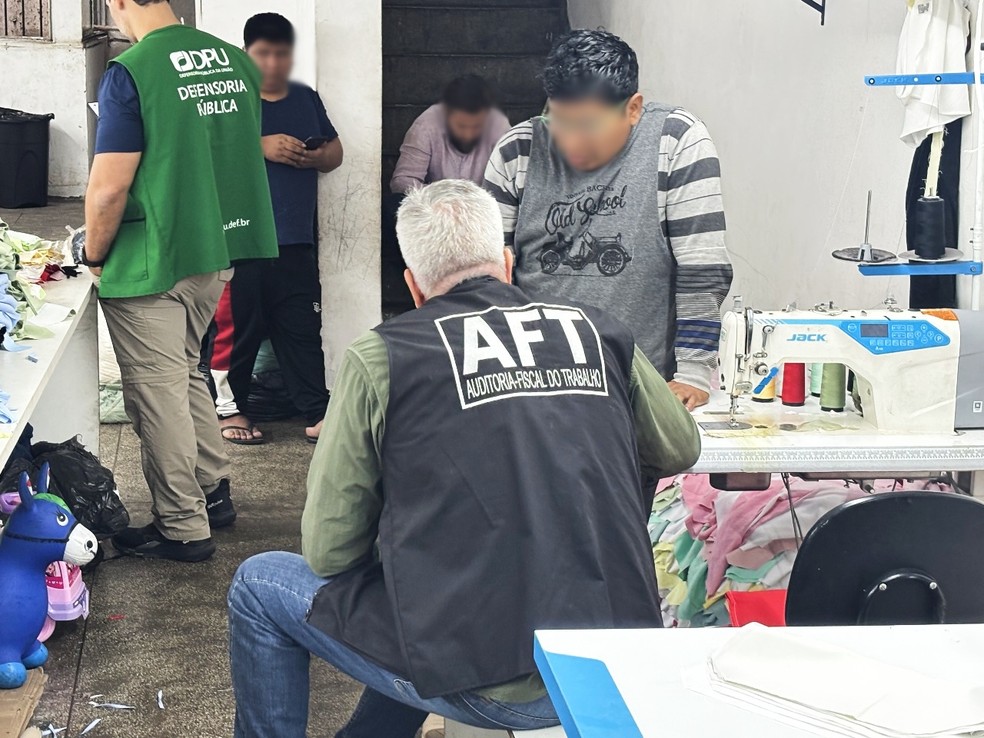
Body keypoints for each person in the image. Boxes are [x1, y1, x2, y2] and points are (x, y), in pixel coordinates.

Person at [228, 180, 701, 738]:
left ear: (414, 286)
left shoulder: (383, 356)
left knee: (259, 584)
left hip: (491, 680)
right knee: (411, 589)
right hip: (611, 662)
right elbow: (680, 448)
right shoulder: (596, 329)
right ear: (507, 262)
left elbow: (330, 551)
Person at [83, 0, 278, 562]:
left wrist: (92, 253)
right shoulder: (235, 61)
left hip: (155, 259)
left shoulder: (132, 71)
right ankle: (213, 491)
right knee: (187, 369)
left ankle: (181, 526)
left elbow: (109, 188)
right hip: (214, 249)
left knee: (156, 393)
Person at [484, 29, 734, 411]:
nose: (570, 142)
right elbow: (489, 275)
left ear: (633, 108)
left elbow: (702, 267)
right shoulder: (518, 150)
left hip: (639, 388)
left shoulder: (675, 141)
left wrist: (693, 373)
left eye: (587, 127)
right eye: (558, 122)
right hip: (535, 386)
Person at [209, 12, 342, 446]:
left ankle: (317, 412)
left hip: (295, 239)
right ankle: (228, 410)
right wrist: (259, 145)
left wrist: (317, 157)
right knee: (236, 331)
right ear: (245, 53)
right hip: (240, 239)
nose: (272, 62)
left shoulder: (305, 98)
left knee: (302, 328)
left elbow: (335, 151)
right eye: (263, 53)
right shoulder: (228, 99)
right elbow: (205, 154)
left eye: (281, 54)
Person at [390, 75, 511, 193]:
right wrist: (447, 196)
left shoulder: (499, 127)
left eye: (476, 126)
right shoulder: (426, 126)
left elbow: (510, 185)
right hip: (434, 204)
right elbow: (402, 182)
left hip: (484, 204)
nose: (468, 134)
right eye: (461, 126)